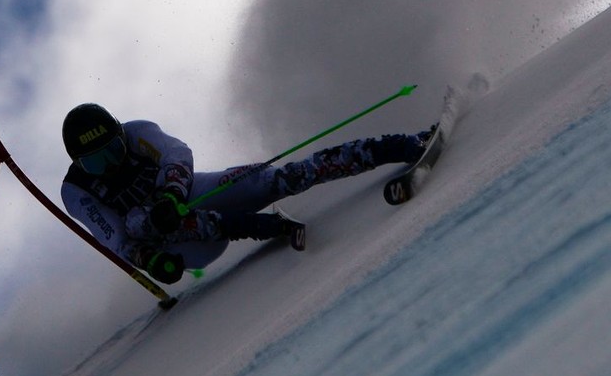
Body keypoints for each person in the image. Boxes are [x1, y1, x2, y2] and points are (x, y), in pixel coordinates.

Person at [59, 103, 430, 284]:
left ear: (122, 138)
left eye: (113, 152)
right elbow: (117, 239)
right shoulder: (76, 190)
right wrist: (152, 262)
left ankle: (398, 146)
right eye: (96, 162)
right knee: (142, 222)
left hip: (192, 193)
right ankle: (256, 225)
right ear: (79, 164)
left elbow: (177, 154)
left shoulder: (138, 131)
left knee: (280, 178)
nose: (110, 165)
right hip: (182, 245)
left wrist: (171, 194)